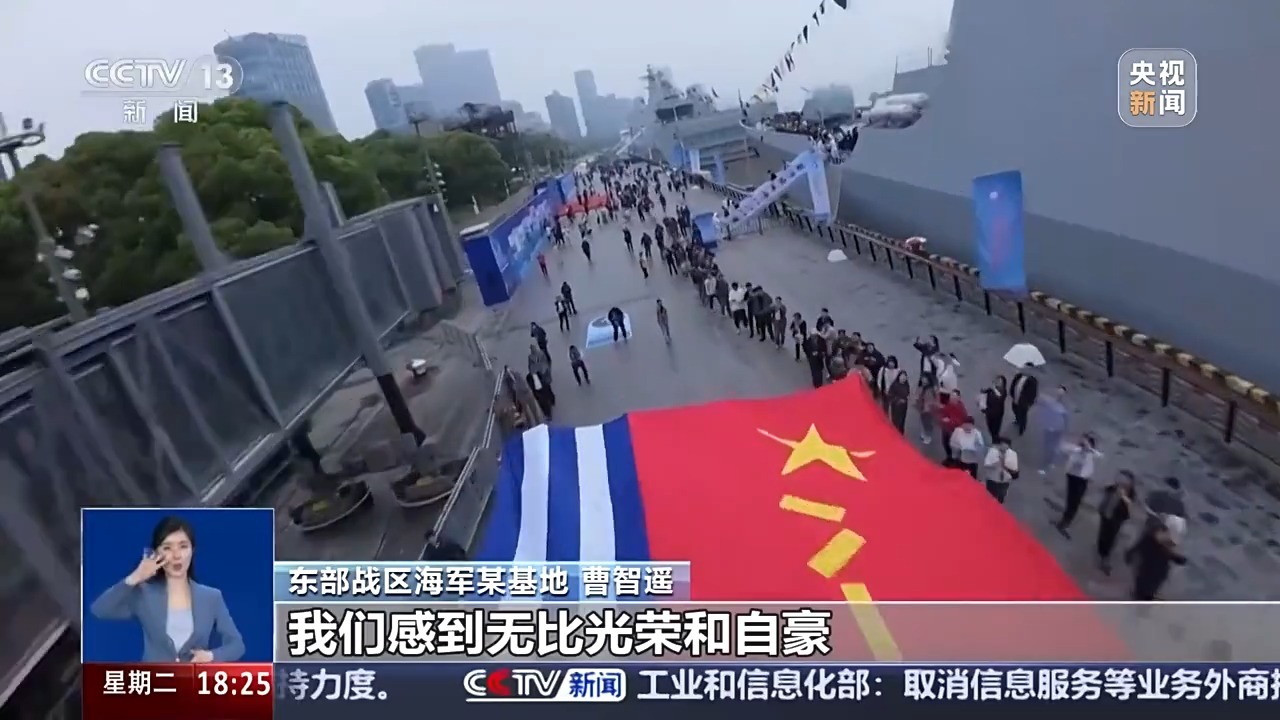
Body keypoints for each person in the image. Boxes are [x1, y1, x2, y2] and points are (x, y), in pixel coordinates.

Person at [90, 516, 245, 662]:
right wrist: (135, 577)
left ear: (193, 550)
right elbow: (99, 610)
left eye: (183, 546)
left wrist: (210, 656)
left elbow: (237, 645)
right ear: (156, 553)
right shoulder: (144, 594)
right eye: (167, 548)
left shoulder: (211, 597)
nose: (176, 555)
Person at [1125, 519, 1186, 601]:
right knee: (1144, 590)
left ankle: (1141, 597)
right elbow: (1137, 547)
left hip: (1154, 572)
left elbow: (1171, 555)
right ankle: (1140, 598)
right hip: (1149, 571)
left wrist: (1179, 559)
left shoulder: (1161, 543)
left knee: (1146, 590)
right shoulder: (1151, 540)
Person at [1054, 433, 1102, 537]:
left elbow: (1099, 456)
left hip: (1081, 480)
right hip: (1072, 477)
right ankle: (1064, 520)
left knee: (1075, 502)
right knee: (1070, 500)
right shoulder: (1077, 450)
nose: (1082, 443)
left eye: (1086, 441)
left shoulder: (1091, 454)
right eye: (1082, 441)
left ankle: (1066, 522)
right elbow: (1063, 448)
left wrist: (1088, 448)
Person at [1096, 471, 1137, 574]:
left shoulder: (1131, 492)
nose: (1122, 481)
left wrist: (1123, 496)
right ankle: (1101, 552)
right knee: (1102, 534)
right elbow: (1102, 489)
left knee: (1111, 537)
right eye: (1120, 478)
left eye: (1125, 480)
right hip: (1105, 514)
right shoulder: (1113, 487)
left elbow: (1130, 504)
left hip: (1117, 518)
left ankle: (1105, 557)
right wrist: (1108, 485)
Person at [1037, 386, 1071, 475]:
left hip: (1057, 430)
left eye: (1062, 393)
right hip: (1048, 428)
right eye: (1059, 392)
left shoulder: (1064, 406)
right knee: (1048, 447)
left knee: (1051, 448)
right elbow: (1040, 401)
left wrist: (1065, 430)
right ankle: (1050, 462)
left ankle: (1045, 466)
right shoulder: (1050, 401)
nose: (1060, 395)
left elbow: (1066, 419)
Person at [982, 437, 1019, 503]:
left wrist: (1006, 464)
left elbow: (1014, 469)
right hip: (992, 479)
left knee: (1001, 496)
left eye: (1006, 446)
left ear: (1009, 446)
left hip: (1005, 480)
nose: (1004, 447)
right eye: (1002, 445)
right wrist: (996, 464)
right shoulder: (992, 452)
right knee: (990, 497)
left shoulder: (1012, 454)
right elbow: (986, 465)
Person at [1009, 367, 1039, 436]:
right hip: (1015, 398)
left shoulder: (1033, 381)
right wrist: (1011, 392)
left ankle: (1022, 428)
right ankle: (1017, 420)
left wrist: (1029, 403)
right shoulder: (1018, 376)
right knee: (1015, 410)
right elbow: (1013, 384)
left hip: (1023, 403)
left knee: (1023, 416)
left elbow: (1033, 394)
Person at [916, 377, 940, 445]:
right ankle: (924, 434)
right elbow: (918, 397)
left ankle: (928, 437)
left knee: (928, 424)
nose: (924, 382)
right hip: (922, 408)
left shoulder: (932, 389)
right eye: (923, 380)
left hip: (929, 409)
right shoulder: (921, 388)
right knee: (923, 422)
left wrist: (932, 406)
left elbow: (936, 399)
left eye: (925, 380)